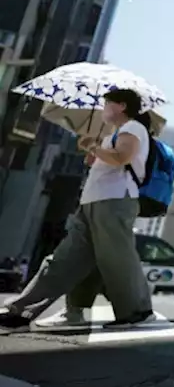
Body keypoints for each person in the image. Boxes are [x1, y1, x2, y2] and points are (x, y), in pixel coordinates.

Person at [1, 89, 153, 330]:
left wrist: (94, 146)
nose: (103, 108)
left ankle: (137, 310)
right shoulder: (113, 134)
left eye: (107, 104)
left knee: (117, 258)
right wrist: (94, 153)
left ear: (122, 106)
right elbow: (108, 161)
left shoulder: (133, 128)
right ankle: (22, 310)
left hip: (114, 202)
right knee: (65, 259)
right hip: (93, 202)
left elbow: (121, 158)